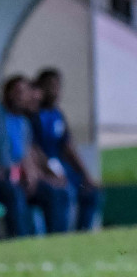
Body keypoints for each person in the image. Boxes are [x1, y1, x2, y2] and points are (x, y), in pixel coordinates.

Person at [0, 75, 72, 236]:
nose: (22, 96)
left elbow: (28, 153)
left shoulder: (24, 123)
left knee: (55, 192)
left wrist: (34, 175)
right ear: (8, 93)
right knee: (14, 194)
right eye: (18, 91)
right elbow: (3, 157)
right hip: (5, 177)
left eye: (24, 92)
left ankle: (58, 239)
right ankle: (20, 241)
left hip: (23, 177)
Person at [34, 68, 102, 231]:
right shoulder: (35, 115)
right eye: (50, 85)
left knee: (91, 191)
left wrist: (86, 175)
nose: (55, 90)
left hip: (61, 167)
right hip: (44, 169)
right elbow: (34, 149)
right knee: (62, 191)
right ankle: (58, 235)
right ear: (40, 88)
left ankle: (82, 234)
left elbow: (68, 147)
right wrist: (51, 172)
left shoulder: (58, 114)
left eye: (58, 85)